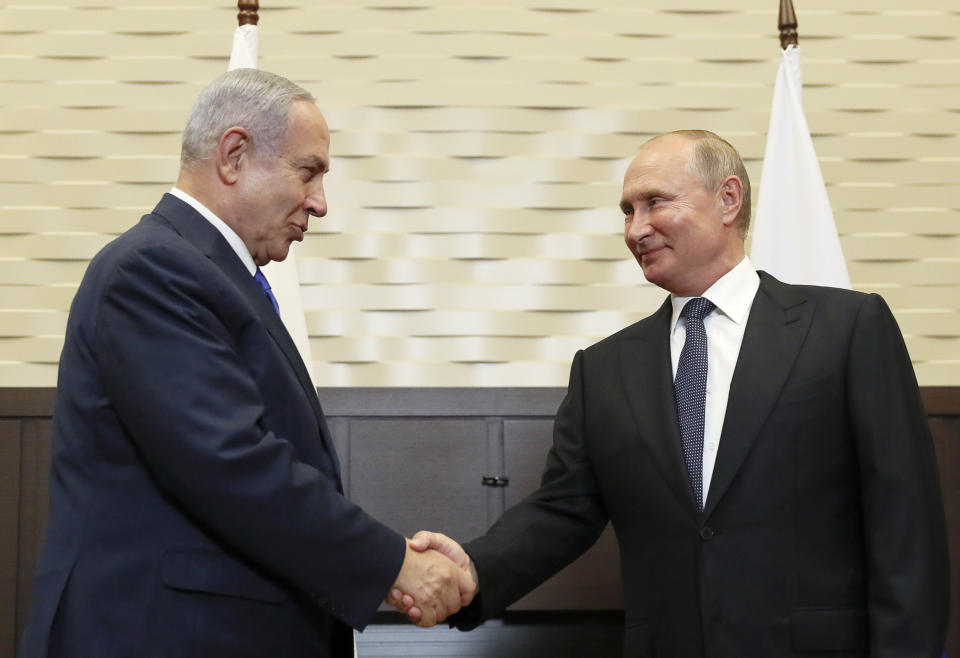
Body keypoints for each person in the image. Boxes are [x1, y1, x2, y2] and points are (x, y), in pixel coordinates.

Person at [394, 130, 949, 657]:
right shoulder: (604, 369)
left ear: (728, 199)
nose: (636, 229)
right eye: (627, 211)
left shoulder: (846, 329)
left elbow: (905, 526)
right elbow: (561, 512)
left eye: (655, 202)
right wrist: (471, 569)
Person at [19, 68, 474, 658]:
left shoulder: (213, 274)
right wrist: (393, 564)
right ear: (233, 155)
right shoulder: (154, 270)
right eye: (307, 171)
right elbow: (229, 461)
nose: (320, 202)